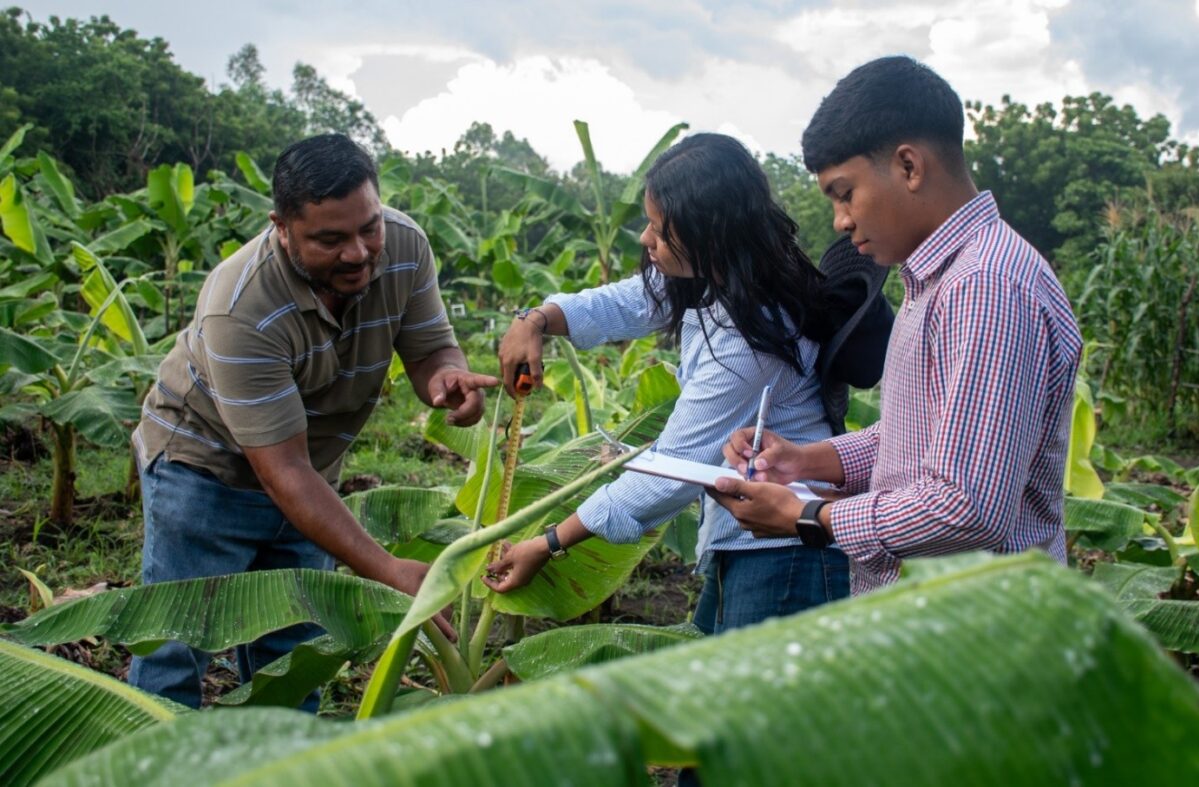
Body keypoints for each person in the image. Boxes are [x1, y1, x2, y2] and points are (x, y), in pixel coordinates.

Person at [128, 133, 498, 709]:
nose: (357, 253)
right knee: (177, 645)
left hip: (311, 471)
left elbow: (431, 349)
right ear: (281, 226)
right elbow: (285, 473)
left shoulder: (403, 245)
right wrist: (384, 567)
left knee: (295, 654)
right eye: (329, 239)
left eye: (367, 227)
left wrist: (445, 381)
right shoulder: (242, 307)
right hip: (203, 467)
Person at [482, 133, 892, 634]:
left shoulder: (753, 338)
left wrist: (547, 544)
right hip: (751, 543)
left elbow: (670, 473)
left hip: (787, 557)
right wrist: (535, 321)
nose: (645, 239)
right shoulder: (721, 279)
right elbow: (624, 301)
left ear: (708, 235)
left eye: (659, 227)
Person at [712, 56, 1084, 594]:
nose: (841, 220)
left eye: (845, 193)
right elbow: (922, 436)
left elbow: (966, 505)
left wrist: (810, 516)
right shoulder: (936, 278)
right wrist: (803, 459)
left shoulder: (985, 286)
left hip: (973, 631)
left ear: (909, 166)